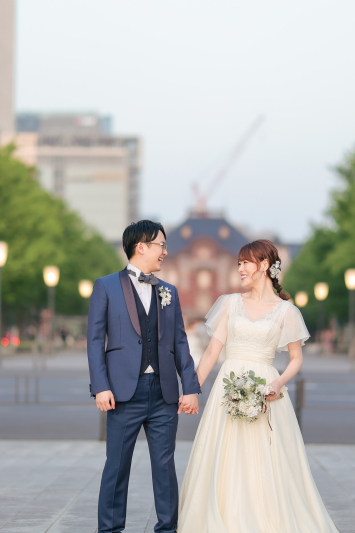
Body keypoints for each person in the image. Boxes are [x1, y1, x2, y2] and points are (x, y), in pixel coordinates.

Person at [178, 239, 339, 533]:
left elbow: (296, 359)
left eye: (245, 263)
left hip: (266, 388)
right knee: (224, 452)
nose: (240, 268)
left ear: (264, 265)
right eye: (239, 263)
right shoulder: (230, 303)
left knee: (265, 457)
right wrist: (191, 389)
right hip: (228, 385)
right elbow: (212, 352)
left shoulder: (286, 311)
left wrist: (277, 383)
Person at [88, 220, 201, 533]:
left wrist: (190, 387)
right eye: (161, 245)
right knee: (117, 465)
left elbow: (180, 343)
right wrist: (101, 386)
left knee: (164, 465)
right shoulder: (105, 286)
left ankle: (167, 528)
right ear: (141, 247)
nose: (165, 251)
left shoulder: (168, 291)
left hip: (164, 393)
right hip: (123, 392)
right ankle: (110, 529)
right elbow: (95, 341)